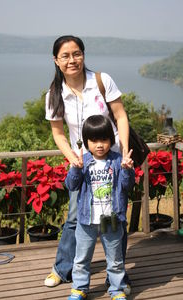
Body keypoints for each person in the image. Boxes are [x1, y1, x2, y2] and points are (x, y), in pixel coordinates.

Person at [44, 35, 132, 292]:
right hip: (83, 165)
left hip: (114, 161)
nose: (72, 60)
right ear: (56, 61)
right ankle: (63, 268)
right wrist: (72, 158)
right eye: (65, 56)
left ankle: (115, 276)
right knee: (76, 216)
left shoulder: (101, 81)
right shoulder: (54, 93)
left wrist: (124, 152)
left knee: (114, 218)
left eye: (76, 53)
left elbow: (120, 116)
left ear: (83, 54)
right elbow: (58, 133)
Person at [65, 115, 135, 300]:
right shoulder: (83, 161)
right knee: (81, 260)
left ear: (111, 140)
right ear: (86, 141)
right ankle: (79, 289)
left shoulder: (118, 160)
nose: (99, 145)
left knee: (115, 259)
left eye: (104, 139)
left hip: (111, 218)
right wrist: (76, 169)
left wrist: (127, 170)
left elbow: (127, 186)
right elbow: (71, 185)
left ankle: (116, 289)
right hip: (86, 220)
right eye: (94, 140)